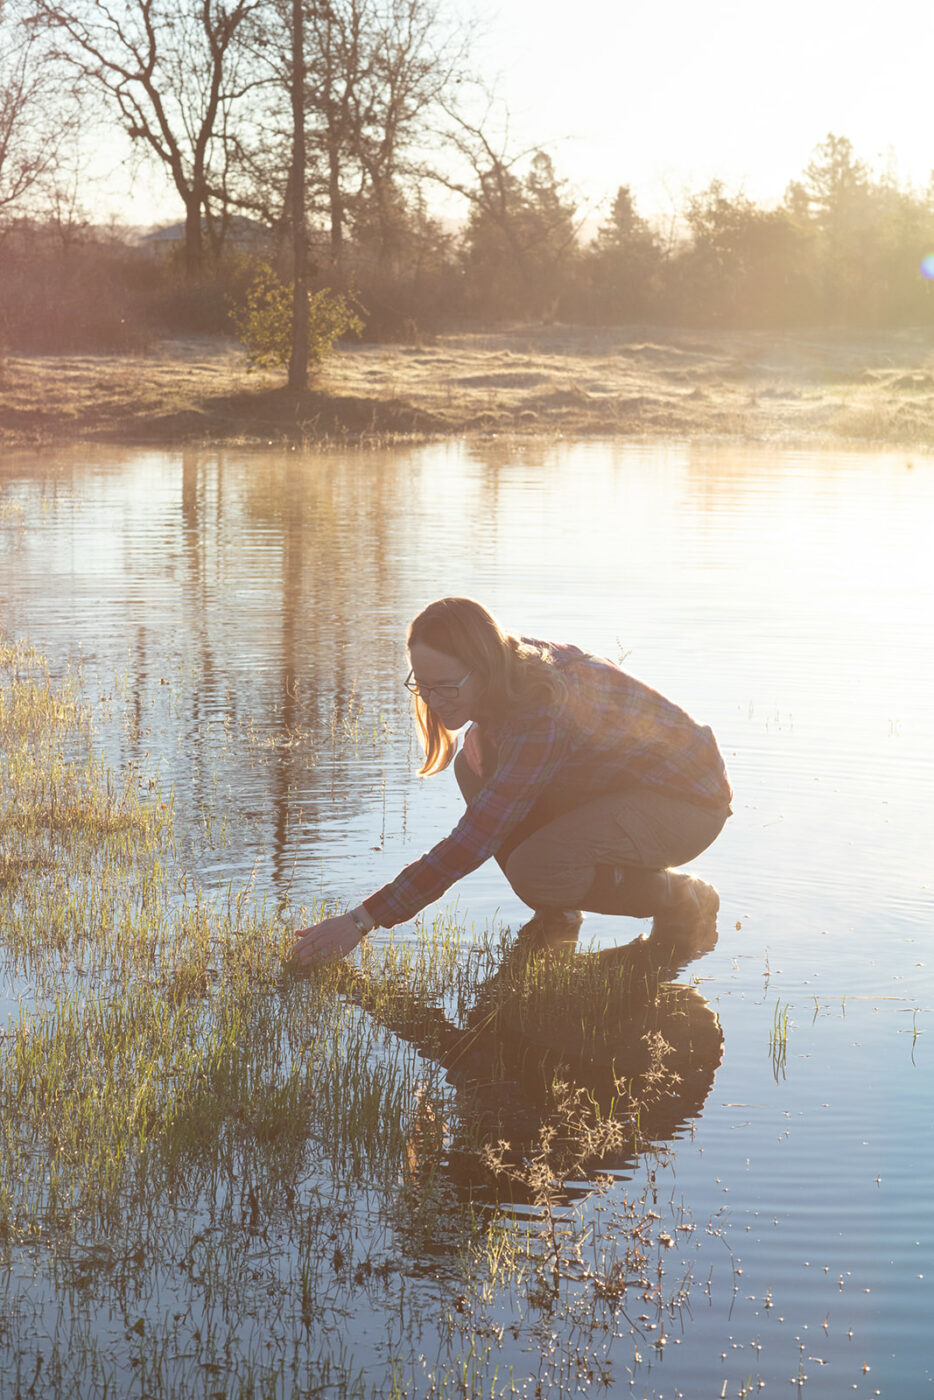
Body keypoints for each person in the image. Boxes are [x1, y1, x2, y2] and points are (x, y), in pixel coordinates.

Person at [291, 596, 732, 969]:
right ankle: (559, 912)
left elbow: (473, 841)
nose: (433, 700)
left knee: (535, 870)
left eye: (446, 686)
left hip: (687, 803)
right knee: (473, 764)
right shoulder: (509, 660)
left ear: (482, 668)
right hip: (625, 784)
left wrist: (359, 921)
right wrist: (488, 731)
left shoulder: (539, 713)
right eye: (421, 685)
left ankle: (682, 897)